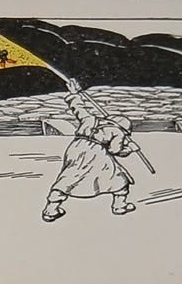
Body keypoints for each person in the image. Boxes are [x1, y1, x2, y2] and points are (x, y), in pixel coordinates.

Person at [42, 79, 138, 222]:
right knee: (119, 178)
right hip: (96, 154)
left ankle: (51, 210)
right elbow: (115, 150)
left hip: (76, 149)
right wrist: (129, 148)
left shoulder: (90, 120)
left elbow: (78, 108)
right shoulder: (117, 132)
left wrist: (74, 94)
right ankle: (120, 205)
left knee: (69, 177)